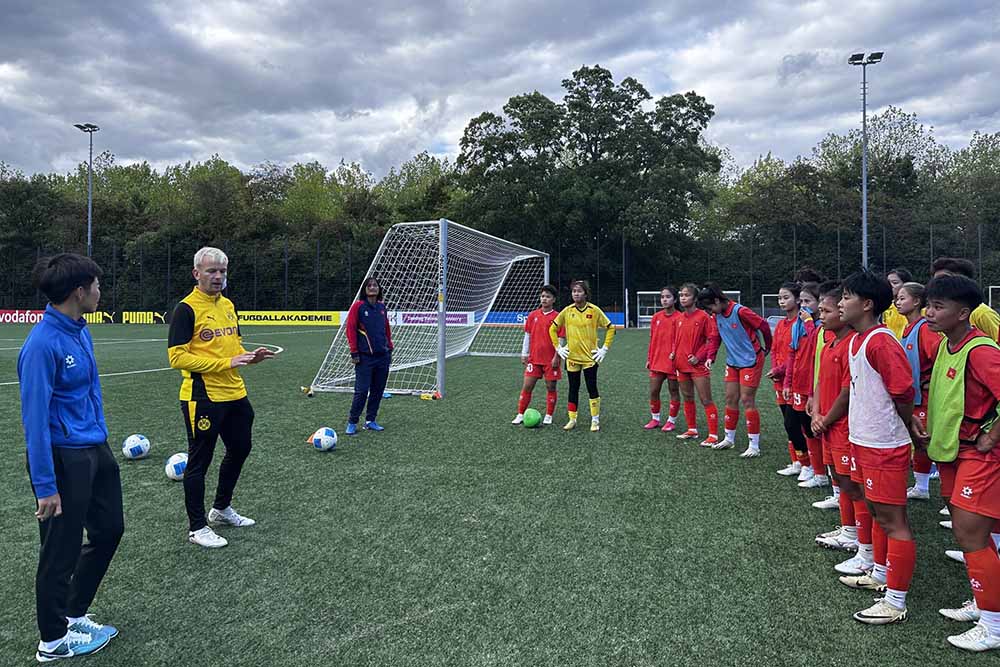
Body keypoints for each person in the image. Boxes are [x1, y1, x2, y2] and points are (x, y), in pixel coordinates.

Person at [18, 254, 121, 661]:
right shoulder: (41, 345)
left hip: (95, 447)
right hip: (63, 458)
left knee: (109, 530)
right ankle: (52, 641)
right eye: (96, 285)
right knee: (59, 551)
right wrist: (46, 486)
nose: (99, 291)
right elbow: (34, 421)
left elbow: (89, 392)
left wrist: (99, 435)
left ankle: (73, 614)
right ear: (79, 291)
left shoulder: (81, 330)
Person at [167, 247, 275, 549]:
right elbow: (177, 357)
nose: (218, 276)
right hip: (202, 395)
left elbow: (232, 348)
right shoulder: (186, 309)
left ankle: (221, 508)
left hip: (235, 391)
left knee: (240, 448)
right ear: (196, 273)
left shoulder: (228, 304)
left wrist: (250, 357)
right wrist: (225, 363)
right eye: (211, 271)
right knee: (200, 460)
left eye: (222, 271)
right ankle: (197, 527)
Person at [917, 274, 1000, 651]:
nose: (929, 312)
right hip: (951, 451)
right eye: (928, 305)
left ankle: (994, 627)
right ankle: (985, 602)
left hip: (978, 454)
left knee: (970, 534)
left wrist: (992, 436)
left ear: (963, 313)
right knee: (978, 532)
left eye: (938, 307)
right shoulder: (945, 345)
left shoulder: (981, 350)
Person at [837, 269, 921, 625]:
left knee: (893, 520)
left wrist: (907, 425)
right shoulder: (858, 339)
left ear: (867, 304)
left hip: (884, 444)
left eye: (847, 297)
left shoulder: (881, 341)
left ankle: (896, 602)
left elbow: (903, 391)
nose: (841, 303)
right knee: (875, 512)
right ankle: (881, 574)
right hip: (863, 440)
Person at [810, 283, 869, 560]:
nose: (820, 315)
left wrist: (826, 418)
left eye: (827, 311)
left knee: (852, 485)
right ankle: (849, 531)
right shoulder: (829, 343)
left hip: (843, 426)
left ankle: (864, 545)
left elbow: (847, 391)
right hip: (828, 424)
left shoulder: (852, 344)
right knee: (840, 480)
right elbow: (821, 381)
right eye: (820, 310)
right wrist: (816, 411)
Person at [697, 284, 771, 457]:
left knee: (747, 399)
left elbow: (763, 325)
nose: (709, 312)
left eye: (709, 307)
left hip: (751, 360)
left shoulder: (741, 311)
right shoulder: (716, 315)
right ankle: (729, 439)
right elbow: (715, 337)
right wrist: (711, 357)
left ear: (717, 301)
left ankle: (754, 446)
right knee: (730, 398)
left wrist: (768, 346)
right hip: (732, 362)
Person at [549, 280, 615, 432]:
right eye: (574, 291)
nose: (576, 294)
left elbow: (610, 328)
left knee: (592, 388)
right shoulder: (567, 311)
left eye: (579, 291)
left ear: (585, 294)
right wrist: (558, 348)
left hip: (590, 358)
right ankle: (572, 419)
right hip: (572, 358)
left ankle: (595, 420)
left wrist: (604, 349)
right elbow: (552, 329)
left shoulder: (594, 310)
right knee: (573, 388)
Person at [894, 282, 939, 500]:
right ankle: (921, 487)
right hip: (914, 397)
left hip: (926, 398)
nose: (897, 302)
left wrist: (930, 382)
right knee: (919, 441)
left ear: (917, 302)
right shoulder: (907, 328)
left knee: (927, 440)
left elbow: (939, 358)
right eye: (897, 298)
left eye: (902, 298)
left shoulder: (925, 329)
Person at [785, 282, 826, 487]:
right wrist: (787, 382)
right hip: (798, 384)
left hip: (812, 385)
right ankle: (806, 465)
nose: (803, 305)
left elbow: (814, 345)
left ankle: (819, 472)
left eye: (808, 301)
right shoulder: (798, 326)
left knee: (811, 429)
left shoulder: (820, 327)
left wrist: (809, 322)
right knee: (793, 425)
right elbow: (792, 354)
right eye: (801, 301)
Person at [771, 283, 811, 476]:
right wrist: (775, 369)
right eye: (779, 298)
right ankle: (796, 461)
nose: (782, 301)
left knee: (797, 424)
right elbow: (774, 350)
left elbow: (797, 354)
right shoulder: (780, 324)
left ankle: (808, 464)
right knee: (789, 424)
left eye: (786, 297)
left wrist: (780, 370)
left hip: (794, 380)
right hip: (781, 381)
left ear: (797, 300)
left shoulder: (801, 324)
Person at [345, 276, 394, 434]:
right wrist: (354, 352)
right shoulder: (358, 307)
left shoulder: (381, 307)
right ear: (365, 289)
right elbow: (350, 329)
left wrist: (389, 347)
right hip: (364, 357)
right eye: (369, 285)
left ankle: (370, 421)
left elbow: (386, 329)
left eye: (375, 285)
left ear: (379, 289)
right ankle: (352, 422)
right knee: (361, 391)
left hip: (383, 356)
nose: (372, 287)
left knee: (377, 390)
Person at [673, 283, 720, 446]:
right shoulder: (679, 318)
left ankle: (713, 435)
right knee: (687, 397)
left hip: (697, 366)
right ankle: (692, 429)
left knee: (706, 399)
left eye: (686, 295)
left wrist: (699, 356)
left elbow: (711, 340)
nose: (683, 298)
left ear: (694, 299)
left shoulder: (704, 317)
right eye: (681, 295)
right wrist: (674, 354)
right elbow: (677, 340)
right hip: (681, 365)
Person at [512, 285, 561, 426]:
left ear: (553, 300)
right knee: (527, 386)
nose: (544, 299)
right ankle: (520, 414)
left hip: (550, 360)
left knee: (551, 387)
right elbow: (527, 335)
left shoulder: (558, 317)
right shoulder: (533, 315)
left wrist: (557, 356)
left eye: (548, 297)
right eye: (543, 296)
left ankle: (549, 415)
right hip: (534, 358)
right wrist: (524, 353)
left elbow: (561, 338)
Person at [931, 257, 1000, 341]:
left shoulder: (982, 313)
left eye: (944, 279)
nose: (937, 285)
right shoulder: (929, 313)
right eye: (935, 280)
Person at [644, 286, 682, 432]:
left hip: (673, 362)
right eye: (662, 297)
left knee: (673, 391)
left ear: (675, 299)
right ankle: (655, 418)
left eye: (668, 297)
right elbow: (652, 339)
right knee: (654, 391)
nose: (664, 300)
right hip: (657, 360)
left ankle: (671, 421)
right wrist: (649, 358)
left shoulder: (680, 317)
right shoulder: (656, 317)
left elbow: (681, 341)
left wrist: (676, 355)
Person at [883, 267, 913, 339]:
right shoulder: (885, 308)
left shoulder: (919, 309)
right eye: (888, 283)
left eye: (895, 283)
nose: (890, 285)